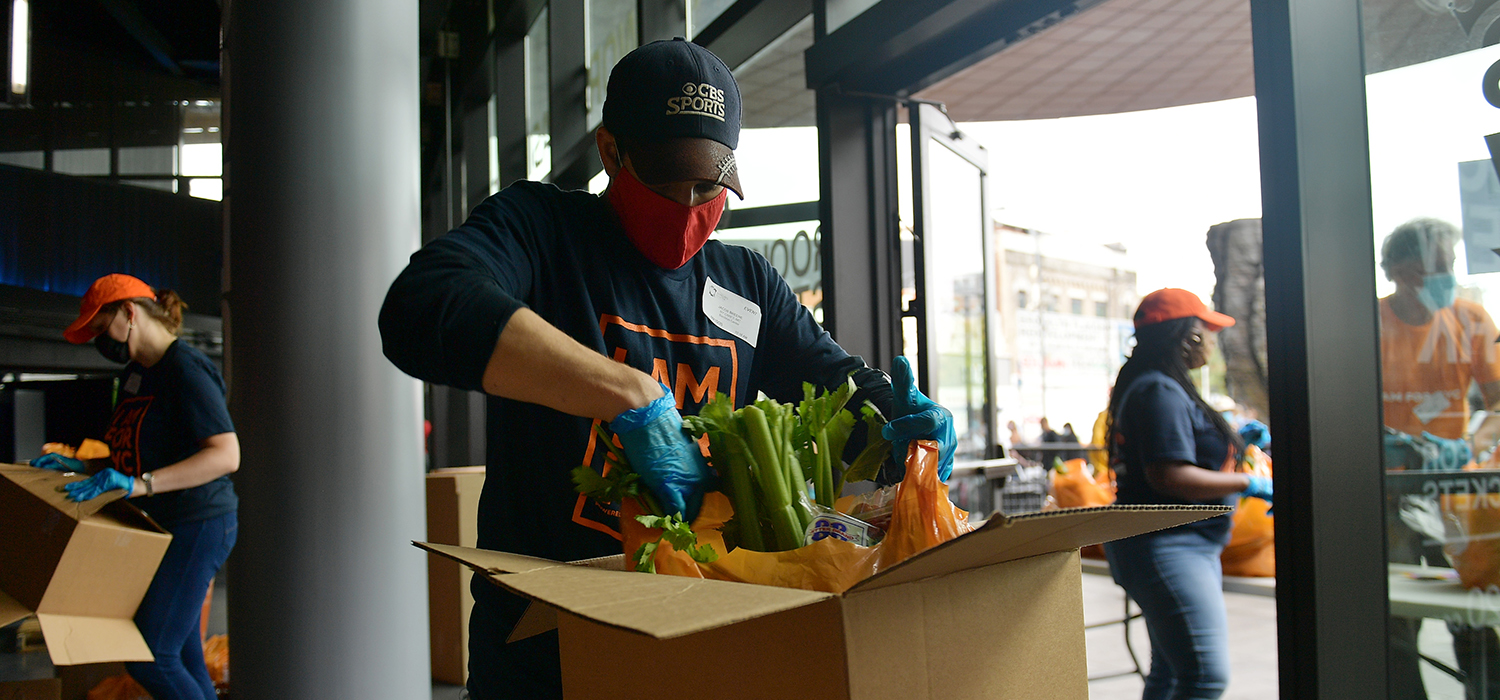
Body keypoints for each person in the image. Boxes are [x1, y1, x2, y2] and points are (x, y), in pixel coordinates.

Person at [378, 38, 955, 700]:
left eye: (708, 183)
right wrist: (627, 394)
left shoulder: (746, 284)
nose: (687, 204)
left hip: (696, 640)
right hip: (545, 648)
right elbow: (423, 307)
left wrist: (908, 427)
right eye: (664, 176)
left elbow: (844, 393)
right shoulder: (543, 232)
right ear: (609, 151)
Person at [33, 274, 239, 700]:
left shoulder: (185, 367)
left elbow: (225, 455)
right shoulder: (136, 375)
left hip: (197, 522)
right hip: (164, 524)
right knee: (182, 655)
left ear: (129, 313)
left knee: (151, 654)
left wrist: (142, 485)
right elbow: (134, 452)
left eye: (99, 327)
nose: (98, 340)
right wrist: (86, 464)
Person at [1100, 288, 1272, 700]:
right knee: (1204, 677)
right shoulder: (1159, 389)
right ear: (1190, 335)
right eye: (1210, 331)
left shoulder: (1153, 384)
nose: (1214, 341)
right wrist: (1248, 483)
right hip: (1168, 544)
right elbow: (1170, 474)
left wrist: (1234, 442)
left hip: (1175, 544)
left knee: (1169, 673)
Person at [1377, 217, 1500, 700]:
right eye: (1443, 265)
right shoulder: (1367, 322)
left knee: (1474, 612)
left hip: (1455, 493)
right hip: (1389, 494)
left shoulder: (1470, 320)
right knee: (1396, 622)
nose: (1450, 275)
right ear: (1407, 273)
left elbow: (1497, 402)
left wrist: (1467, 446)